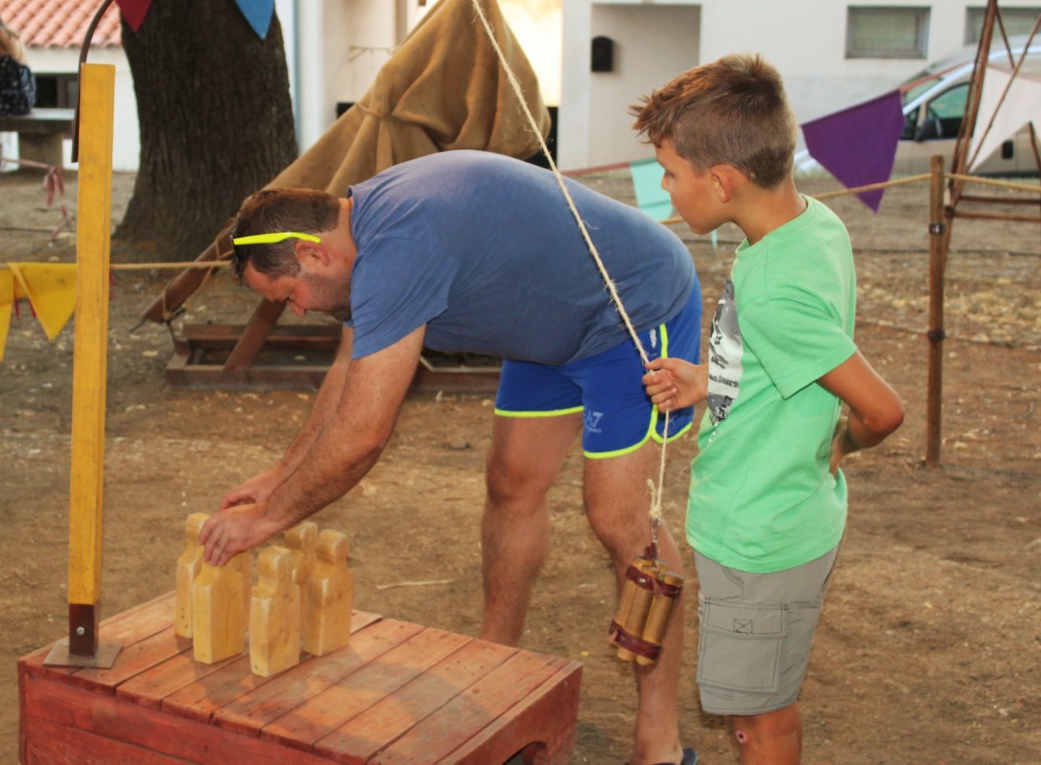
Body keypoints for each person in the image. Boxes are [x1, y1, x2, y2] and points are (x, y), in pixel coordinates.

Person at [201, 149, 702, 765]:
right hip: (552, 327)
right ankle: (497, 666)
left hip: (633, 310)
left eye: (288, 294)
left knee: (619, 519)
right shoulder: (363, 234)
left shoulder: (403, 240)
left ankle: (661, 743)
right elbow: (346, 375)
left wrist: (268, 519)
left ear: (311, 253)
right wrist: (279, 477)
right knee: (511, 486)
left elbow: (363, 433)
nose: (296, 308)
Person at [633, 55, 905, 765]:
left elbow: (881, 409)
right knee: (756, 710)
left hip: (760, 534)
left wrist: (842, 443)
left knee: (760, 724)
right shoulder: (810, 226)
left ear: (720, 182)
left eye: (669, 173)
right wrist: (714, 380)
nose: (664, 189)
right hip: (772, 517)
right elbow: (788, 359)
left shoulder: (772, 290)